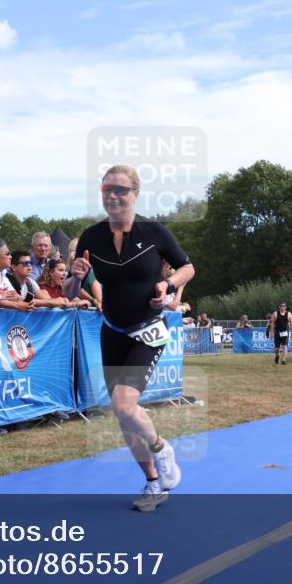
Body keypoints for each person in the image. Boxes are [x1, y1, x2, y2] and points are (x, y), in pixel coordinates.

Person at [69, 164, 195, 512]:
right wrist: (75, 276)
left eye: (121, 189)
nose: (113, 195)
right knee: (123, 416)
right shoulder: (92, 237)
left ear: (134, 194)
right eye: (107, 188)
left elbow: (188, 267)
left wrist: (167, 285)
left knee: (124, 406)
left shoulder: (154, 231)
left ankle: (161, 448)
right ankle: (154, 483)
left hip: (148, 331)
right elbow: (70, 289)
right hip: (112, 331)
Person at [64, 237, 103, 309]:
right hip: (93, 315)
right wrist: (93, 300)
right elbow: (100, 299)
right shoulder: (90, 271)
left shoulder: (70, 271)